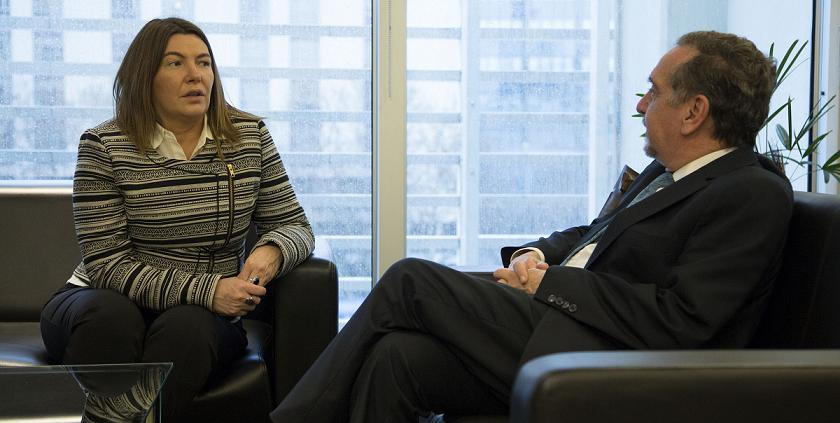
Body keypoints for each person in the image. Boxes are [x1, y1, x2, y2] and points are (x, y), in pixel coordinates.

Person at [270, 30, 793, 422]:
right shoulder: (666, 172)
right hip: (560, 321)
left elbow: (682, 321)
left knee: (409, 278)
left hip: (608, 357)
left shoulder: (750, 191)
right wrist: (532, 254)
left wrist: (550, 284)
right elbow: (595, 236)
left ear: (693, 111)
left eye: (652, 92)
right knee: (395, 357)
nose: (639, 104)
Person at [39, 17, 314, 421]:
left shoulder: (249, 136)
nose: (195, 75)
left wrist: (271, 250)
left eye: (204, 63)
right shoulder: (104, 145)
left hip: (198, 319)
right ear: (143, 77)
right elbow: (108, 265)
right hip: (105, 303)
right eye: (175, 63)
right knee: (111, 318)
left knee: (188, 327)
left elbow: (294, 225)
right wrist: (208, 290)